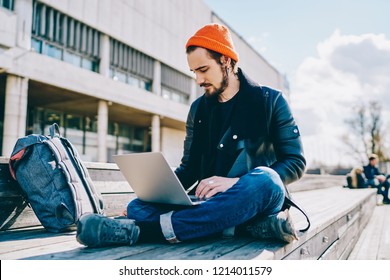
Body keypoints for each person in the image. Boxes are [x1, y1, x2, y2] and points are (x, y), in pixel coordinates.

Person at [76, 23, 306, 248]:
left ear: (226, 60)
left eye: (203, 70)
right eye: (194, 72)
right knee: (138, 206)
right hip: (212, 204)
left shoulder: (270, 100)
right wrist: (158, 193)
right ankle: (243, 227)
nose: (198, 80)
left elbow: (295, 162)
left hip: (256, 198)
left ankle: (147, 232)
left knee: (267, 179)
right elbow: (190, 169)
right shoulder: (198, 110)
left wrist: (236, 182)